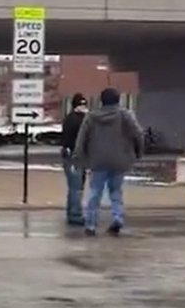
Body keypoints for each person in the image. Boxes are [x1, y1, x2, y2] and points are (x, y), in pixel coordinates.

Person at [73, 88, 143, 237]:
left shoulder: (91, 117)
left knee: (95, 192)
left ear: (101, 101)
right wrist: (138, 152)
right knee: (116, 192)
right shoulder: (125, 116)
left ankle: (91, 223)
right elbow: (138, 134)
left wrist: (79, 157)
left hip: (97, 160)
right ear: (118, 100)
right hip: (120, 159)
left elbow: (82, 139)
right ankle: (117, 217)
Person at [60, 93, 90, 226]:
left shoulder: (73, 118)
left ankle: (72, 211)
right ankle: (75, 214)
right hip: (74, 156)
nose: (83, 107)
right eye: (81, 105)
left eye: (84, 105)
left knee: (75, 186)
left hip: (75, 156)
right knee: (76, 186)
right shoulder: (76, 120)